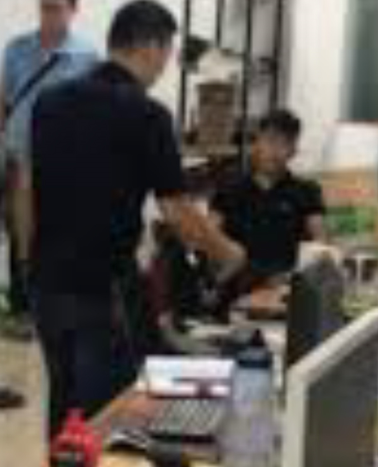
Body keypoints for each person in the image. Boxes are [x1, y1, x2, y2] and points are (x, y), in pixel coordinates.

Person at [30, 0, 246, 437]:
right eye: (166, 53)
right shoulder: (147, 114)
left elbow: (28, 189)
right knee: (110, 415)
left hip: (45, 281)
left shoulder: (49, 102)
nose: (164, 66)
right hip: (102, 286)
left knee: (65, 406)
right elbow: (177, 211)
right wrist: (227, 252)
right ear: (150, 46)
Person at [0, 0, 100, 338]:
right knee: (19, 232)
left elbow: (92, 109)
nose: (49, 15)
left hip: (62, 159)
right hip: (18, 151)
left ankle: (55, 313)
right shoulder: (16, 48)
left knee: (56, 233)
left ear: (73, 10)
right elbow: (2, 98)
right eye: (44, 7)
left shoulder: (87, 55)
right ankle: (22, 311)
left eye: (56, 8)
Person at [211, 110, 327, 279]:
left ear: (293, 150)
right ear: (256, 143)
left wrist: (300, 277)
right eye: (270, 140)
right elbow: (210, 238)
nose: (275, 151)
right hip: (238, 284)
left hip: (286, 284)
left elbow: (320, 245)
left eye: (284, 143)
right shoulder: (228, 189)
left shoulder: (307, 191)